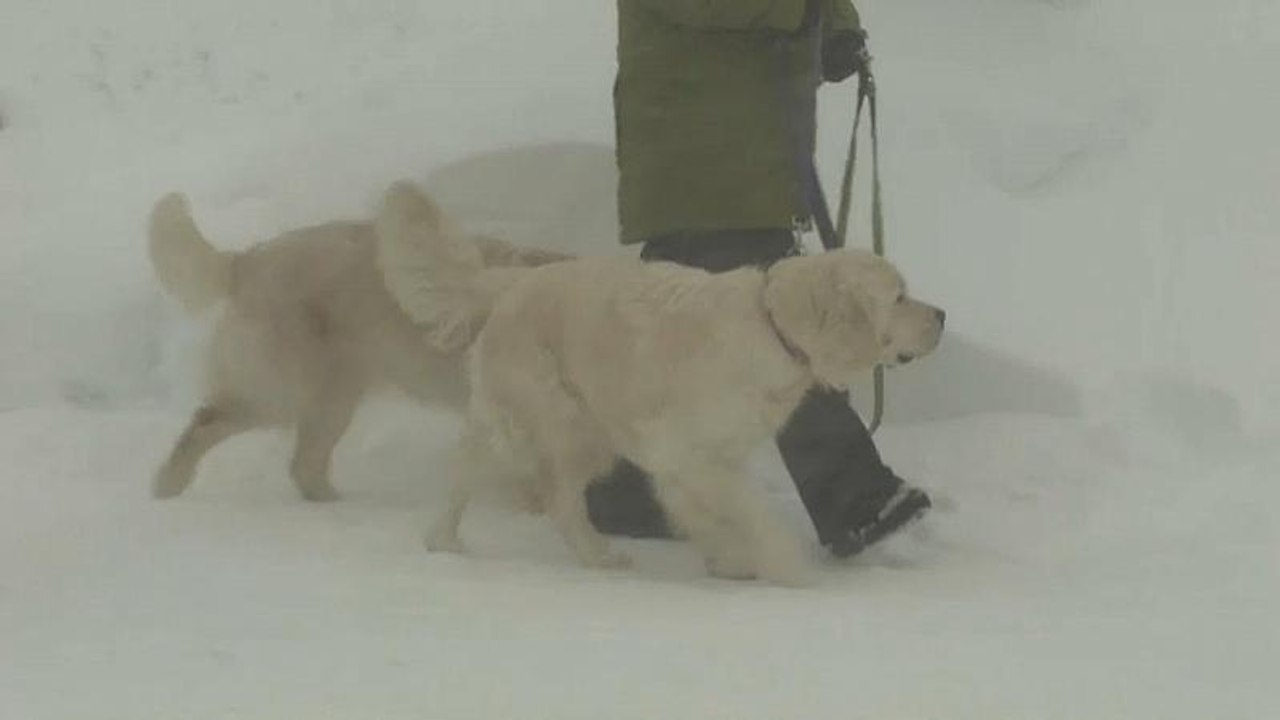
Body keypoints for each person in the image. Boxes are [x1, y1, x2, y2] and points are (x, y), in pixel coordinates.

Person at [584, 0, 932, 558]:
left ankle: (626, 490)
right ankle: (855, 498)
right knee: (785, 335)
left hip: (751, 155)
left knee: (672, 346)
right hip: (698, 157)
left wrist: (837, 29)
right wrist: (803, 12)